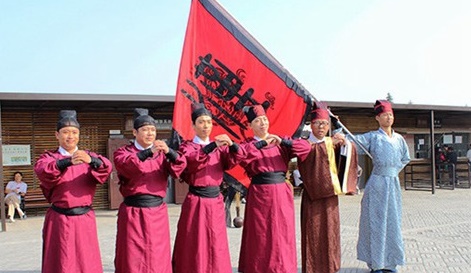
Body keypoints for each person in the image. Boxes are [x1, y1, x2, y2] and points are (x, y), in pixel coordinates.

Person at [34, 110, 112, 273]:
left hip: (84, 219)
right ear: (57, 135)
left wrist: (93, 161)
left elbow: (107, 167)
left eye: (74, 132)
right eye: (66, 132)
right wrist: (67, 162)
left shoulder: (88, 156)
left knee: (86, 261)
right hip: (59, 220)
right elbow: (43, 170)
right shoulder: (48, 157)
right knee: (61, 262)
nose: (70, 136)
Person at [237, 104, 311, 273]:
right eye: (257, 121)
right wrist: (261, 144)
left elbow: (305, 148)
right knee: (260, 234)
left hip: (281, 193)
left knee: (282, 233)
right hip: (259, 193)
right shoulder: (248, 144)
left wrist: (284, 141)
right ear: (250, 126)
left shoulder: (279, 141)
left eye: (264, 119)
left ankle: (284, 268)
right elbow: (240, 156)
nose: (262, 123)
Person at [172, 104, 245, 273]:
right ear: (193, 125)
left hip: (216, 201)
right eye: (201, 122)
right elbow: (192, 162)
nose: (205, 126)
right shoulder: (187, 147)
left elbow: (238, 158)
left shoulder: (221, 148)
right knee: (194, 241)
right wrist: (212, 146)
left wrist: (232, 144)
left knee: (216, 241)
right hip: (196, 201)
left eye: (208, 122)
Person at [114, 108, 186, 273]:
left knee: (157, 254)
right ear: (134, 132)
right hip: (133, 212)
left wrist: (170, 152)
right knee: (132, 255)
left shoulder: (161, 153)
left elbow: (179, 167)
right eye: (145, 130)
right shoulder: (123, 152)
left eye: (153, 130)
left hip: (157, 212)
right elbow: (127, 165)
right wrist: (148, 152)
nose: (150, 133)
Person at [296, 102, 358, 273]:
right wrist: (330, 143)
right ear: (311, 125)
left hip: (331, 198)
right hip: (312, 197)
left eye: (324, 123)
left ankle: (331, 268)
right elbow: (309, 156)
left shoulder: (334, 143)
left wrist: (345, 143)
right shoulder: (305, 144)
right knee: (313, 234)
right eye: (317, 123)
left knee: (331, 233)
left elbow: (346, 158)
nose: (321, 127)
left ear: (329, 125)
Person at [355, 100, 410, 273]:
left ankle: (391, 263)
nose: (389, 117)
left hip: (393, 184)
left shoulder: (399, 139)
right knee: (375, 222)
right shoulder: (372, 137)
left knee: (393, 222)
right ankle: (376, 263)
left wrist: (393, 170)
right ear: (378, 117)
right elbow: (353, 142)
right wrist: (341, 133)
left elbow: (405, 158)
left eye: (391, 115)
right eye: (385, 115)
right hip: (377, 183)